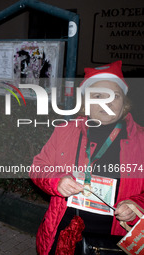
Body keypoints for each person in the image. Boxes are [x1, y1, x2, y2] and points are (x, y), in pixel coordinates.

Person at [30, 61, 144, 254]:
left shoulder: (140, 140)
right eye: (98, 95)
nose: (107, 102)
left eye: (114, 96)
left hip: (114, 241)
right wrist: (56, 181)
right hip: (63, 234)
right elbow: (38, 167)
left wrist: (136, 205)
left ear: (123, 102)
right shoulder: (65, 131)